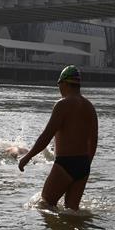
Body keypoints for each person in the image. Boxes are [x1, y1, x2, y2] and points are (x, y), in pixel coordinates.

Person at [18, 65, 98, 211]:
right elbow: (93, 141)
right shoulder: (89, 107)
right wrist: (86, 166)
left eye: (59, 85)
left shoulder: (62, 105)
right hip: (84, 164)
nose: (59, 89)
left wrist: (27, 157)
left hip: (65, 163)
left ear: (65, 83)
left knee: (44, 204)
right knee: (72, 212)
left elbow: (46, 136)